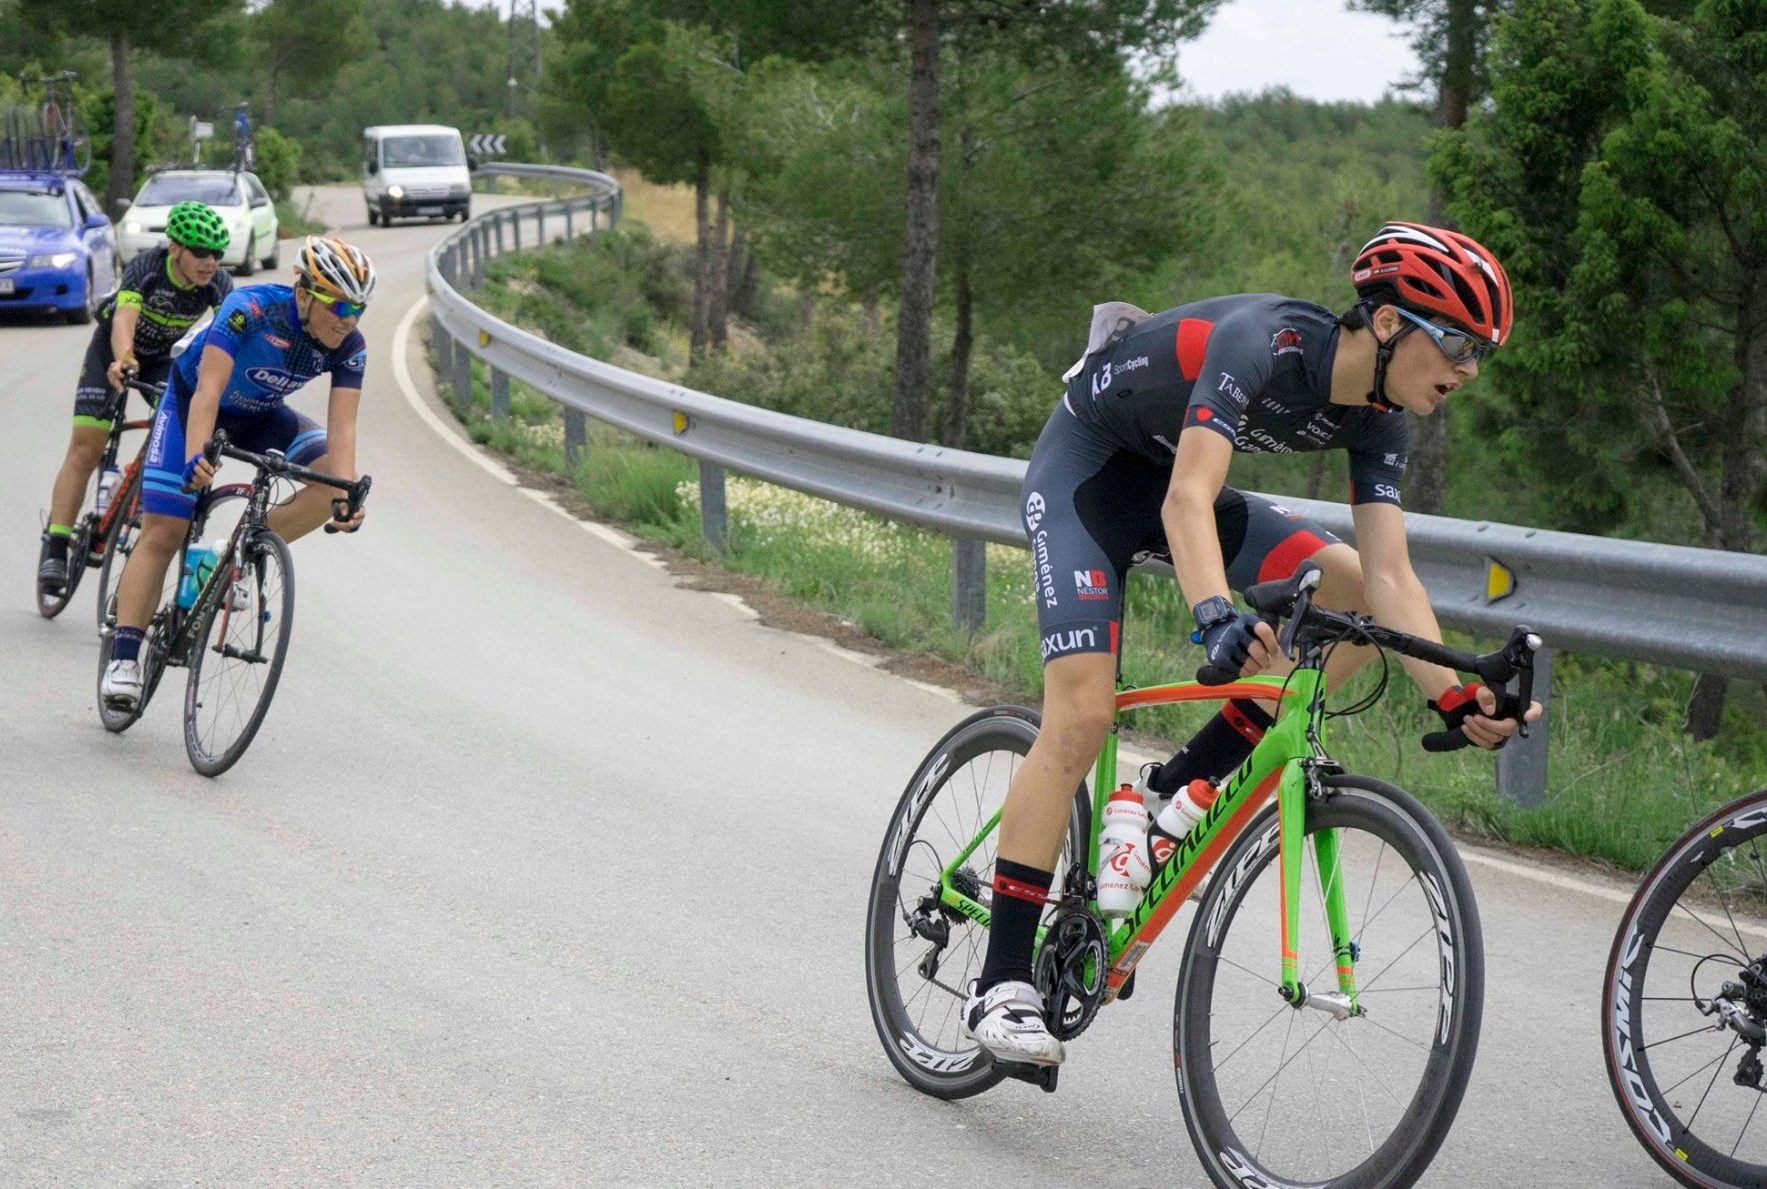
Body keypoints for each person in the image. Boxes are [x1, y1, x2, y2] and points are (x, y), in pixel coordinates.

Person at [962, 221, 1544, 1066]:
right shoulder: (1262, 345)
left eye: (1480, 353)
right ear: (1386, 322)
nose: (1465, 369)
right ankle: (1001, 980)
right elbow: (1186, 498)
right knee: (1082, 713)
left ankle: (1174, 787)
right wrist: (1212, 614)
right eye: (1454, 342)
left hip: (1172, 485)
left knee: (1346, 596)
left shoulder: (1381, 418)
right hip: (1087, 472)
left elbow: (1389, 579)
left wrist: (1453, 690)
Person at [99, 236, 376, 709]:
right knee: (166, 529)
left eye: (358, 309)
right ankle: (124, 656)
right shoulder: (250, 308)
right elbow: (207, 391)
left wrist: (347, 493)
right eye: (338, 306)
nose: (348, 320)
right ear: (304, 293)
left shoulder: (349, 346)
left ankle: (235, 555)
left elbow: (343, 428)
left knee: (332, 483)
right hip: (192, 406)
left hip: (261, 415)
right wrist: (196, 456)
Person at [37, 202, 235, 597]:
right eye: (200, 252)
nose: (209, 262)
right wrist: (124, 357)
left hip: (161, 359)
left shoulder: (219, 284)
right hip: (113, 351)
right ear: (175, 248)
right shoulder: (147, 267)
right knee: (86, 448)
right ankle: (56, 545)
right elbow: (125, 318)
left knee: (177, 420)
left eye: (216, 254)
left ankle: (139, 489)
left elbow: (230, 338)